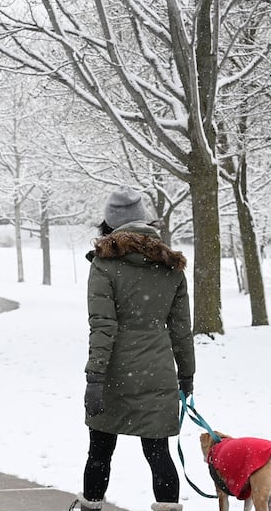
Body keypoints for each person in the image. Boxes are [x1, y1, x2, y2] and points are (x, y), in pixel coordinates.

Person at [70, 188, 194, 511]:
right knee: (159, 455)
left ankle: (90, 508)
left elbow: (103, 326)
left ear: (108, 224)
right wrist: (187, 376)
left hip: (114, 376)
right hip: (157, 375)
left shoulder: (104, 265)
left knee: (99, 452)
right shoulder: (170, 264)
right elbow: (181, 331)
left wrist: (95, 378)